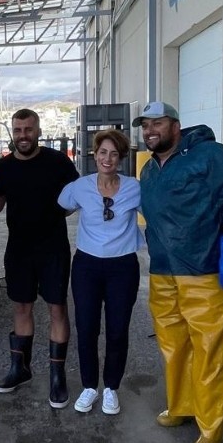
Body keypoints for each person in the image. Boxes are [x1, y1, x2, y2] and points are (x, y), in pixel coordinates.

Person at [133, 101, 223, 443]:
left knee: (211, 352)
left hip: (205, 271)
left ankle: (211, 432)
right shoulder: (149, 170)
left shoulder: (210, 155)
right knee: (174, 345)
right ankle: (182, 405)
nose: (150, 131)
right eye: (145, 125)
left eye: (157, 123)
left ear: (176, 125)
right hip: (163, 271)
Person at [0, 108, 79, 408]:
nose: (23, 135)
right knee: (21, 307)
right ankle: (20, 369)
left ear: (38, 131)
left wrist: (59, 213)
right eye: (18, 130)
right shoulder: (3, 166)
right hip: (19, 249)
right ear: (13, 132)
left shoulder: (58, 162)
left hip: (53, 248)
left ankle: (57, 377)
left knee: (57, 309)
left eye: (28, 129)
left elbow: (76, 197)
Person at [58, 129, 144, 416]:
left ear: (122, 158)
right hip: (87, 266)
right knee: (86, 327)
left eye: (114, 154)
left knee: (118, 329)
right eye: (103, 152)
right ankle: (89, 386)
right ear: (94, 155)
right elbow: (60, 208)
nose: (108, 158)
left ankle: (111, 388)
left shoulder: (134, 188)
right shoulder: (79, 187)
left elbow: (157, 214)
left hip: (123, 267)